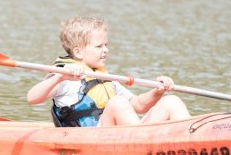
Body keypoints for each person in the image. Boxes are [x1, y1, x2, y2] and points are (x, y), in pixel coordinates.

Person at [26, 16, 190, 127]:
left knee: (172, 101)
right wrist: (59, 78)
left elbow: (139, 105)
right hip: (92, 142)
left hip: (123, 136)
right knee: (117, 103)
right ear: (78, 52)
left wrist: (158, 91)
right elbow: (32, 98)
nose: (106, 50)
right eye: (99, 46)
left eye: (106, 44)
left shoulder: (104, 77)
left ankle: (190, 142)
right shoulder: (64, 77)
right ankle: (145, 142)